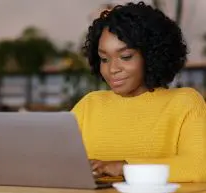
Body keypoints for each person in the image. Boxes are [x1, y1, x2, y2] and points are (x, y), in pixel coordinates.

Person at [71, 1, 206, 182]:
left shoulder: (185, 102)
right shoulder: (89, 105)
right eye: (104, 59)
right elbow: (51, 158)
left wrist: (123, 167)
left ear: (151, 55)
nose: (112, 69)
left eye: (125, 57)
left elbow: (198, 167)